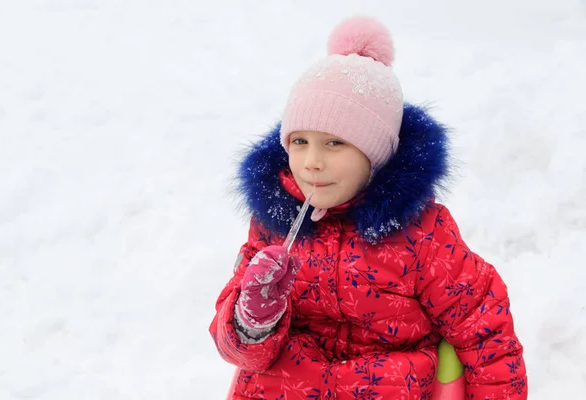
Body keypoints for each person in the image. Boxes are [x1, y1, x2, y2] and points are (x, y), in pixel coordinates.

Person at [209, 15, 527, 399]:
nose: (311, 161)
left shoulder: (422, 234)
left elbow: (483, 328)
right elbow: (241, 353)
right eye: (300, 142)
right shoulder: (275, 225)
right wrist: (253, 319)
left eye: (334, 144)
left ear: (375, 155)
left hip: (392, 383)